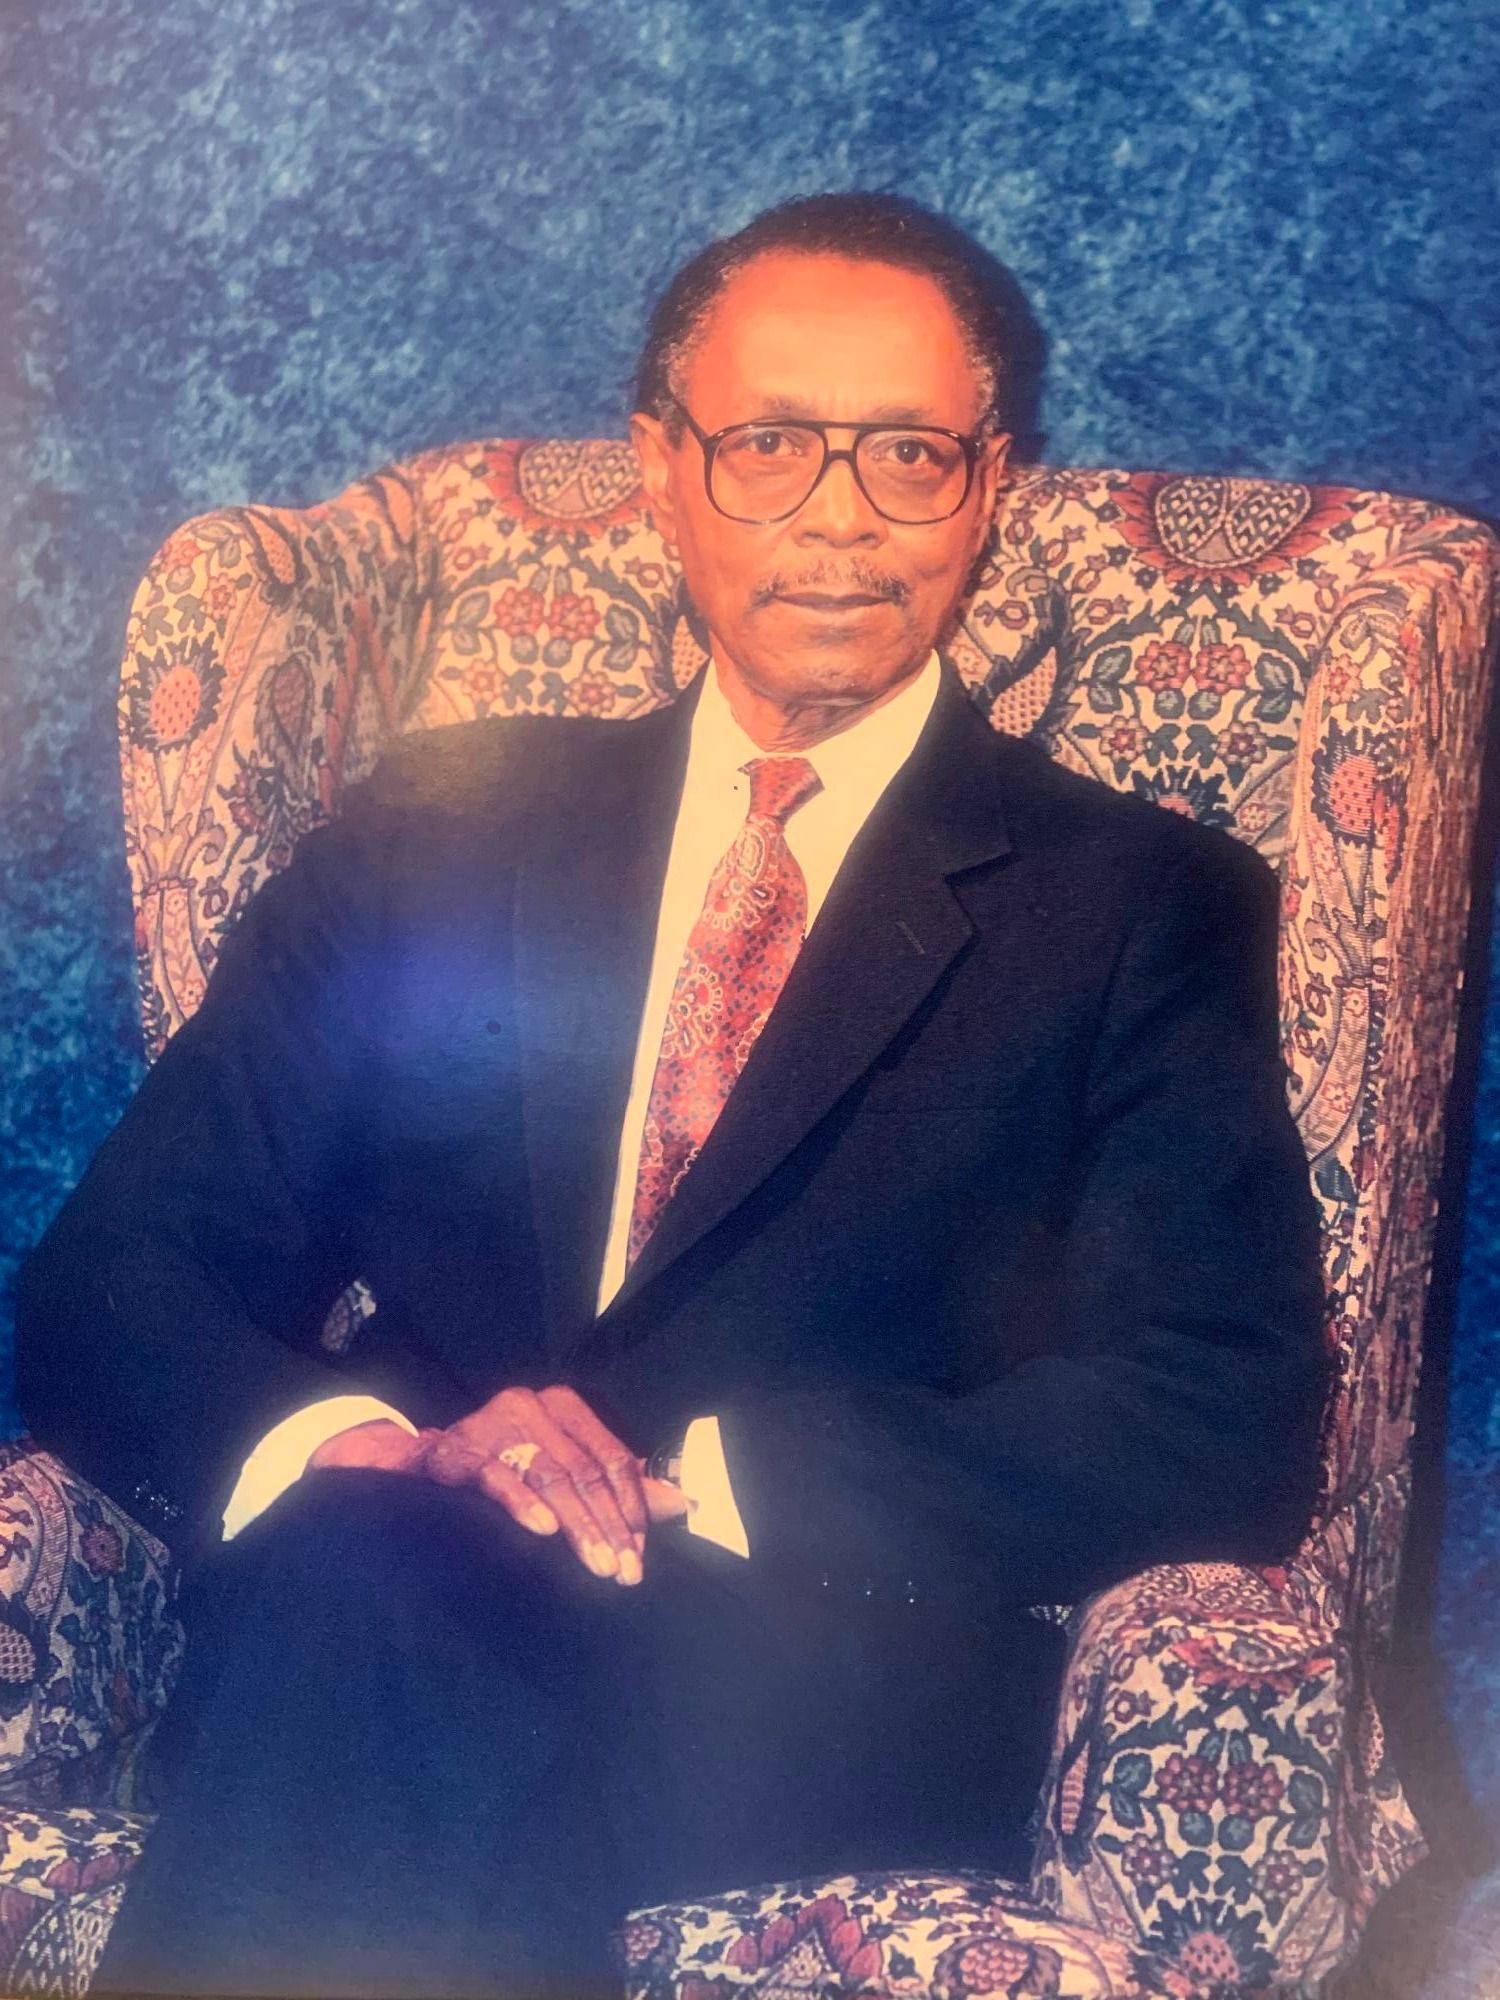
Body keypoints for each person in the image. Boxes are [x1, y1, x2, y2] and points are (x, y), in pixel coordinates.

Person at [17, 192, 1327, 1999]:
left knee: (360, 1631)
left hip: (794, 1678)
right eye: (770, 446)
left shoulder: (1132, 901)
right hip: (380, 1599)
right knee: (375, 1579)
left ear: (993, 482)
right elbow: (111, 1277)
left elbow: (1220, 1408)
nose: (838, 521)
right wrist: (372, 1445)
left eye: (910, 457)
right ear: (661, 466)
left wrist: (696, 1478)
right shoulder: (443, 822)